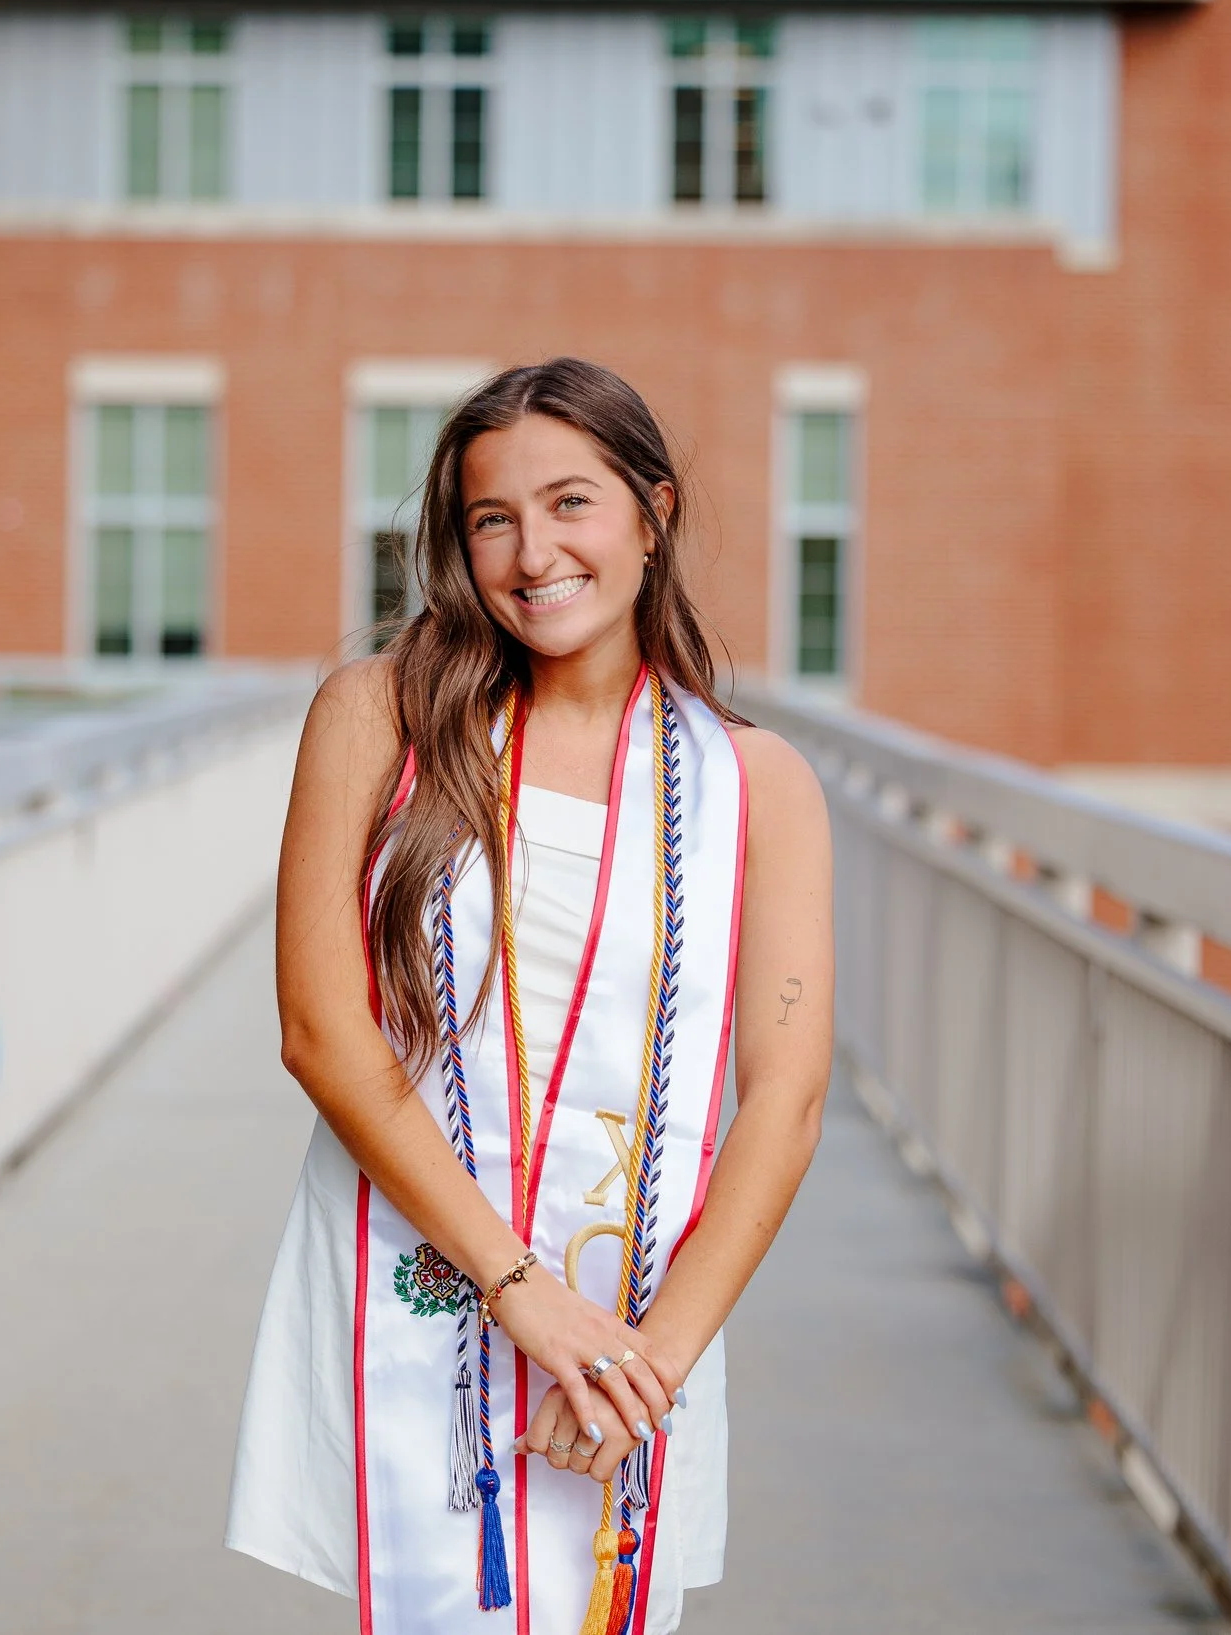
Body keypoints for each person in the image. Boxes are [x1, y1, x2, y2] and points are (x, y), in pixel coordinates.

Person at [228, 358, 834, 1635]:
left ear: (651, 512)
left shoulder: (752, 782)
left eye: (572, 503)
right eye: (491, 517)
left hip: (635, 1329)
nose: (531, 551)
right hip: (425, 1286)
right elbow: (322, 1033)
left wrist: (640, 1364)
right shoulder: (379, 716)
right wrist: (523, 1293)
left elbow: (781, 1099)